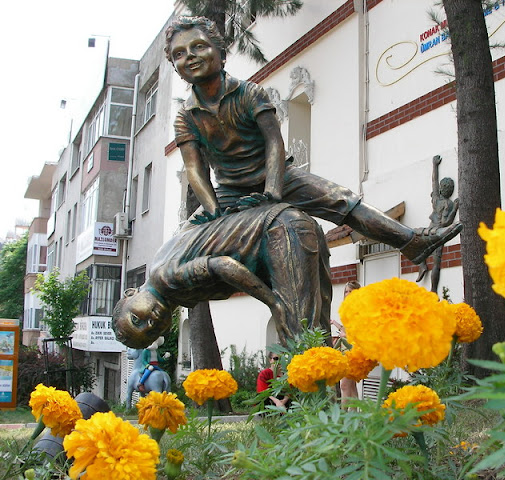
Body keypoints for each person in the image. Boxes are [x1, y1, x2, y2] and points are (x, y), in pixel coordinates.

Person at [164, 16, 462, 268]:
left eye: (198, 46)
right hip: (229, 190)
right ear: (176, 67)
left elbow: (274, 143)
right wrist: (213, 211)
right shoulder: (185, 116)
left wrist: (272, 192)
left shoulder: (250, 93)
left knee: (341, 199)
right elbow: (195, 170)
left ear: (221, 54)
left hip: (277, 176)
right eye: (179, 54)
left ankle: (411, 241)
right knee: (179, 245)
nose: (189, 56)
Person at [113, 203, 332, 349]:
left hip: (280, 233)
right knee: (320, 334)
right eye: (150, 333)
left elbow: (223, 265)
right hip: (292, 225)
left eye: (136, 319)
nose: (150, 324)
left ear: (130, 293)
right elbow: (201, 216)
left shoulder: (165, 279)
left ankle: (313, 406)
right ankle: (328, 405)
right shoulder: (162, 262)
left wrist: (274, 303)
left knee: (299, 337)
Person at [416, 155, 460, 293]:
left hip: (432, 230)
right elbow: (446, 222)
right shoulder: (448, 204)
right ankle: (433, 289)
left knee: (419, 244)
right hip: (439, 233)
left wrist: (434, 165)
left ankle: (423, 265)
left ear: (441, 189)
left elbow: (434, 181)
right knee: (436, 263)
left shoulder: (436, 200)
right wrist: (454, 209)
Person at [330, 281, 361, 409]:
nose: (347, 294)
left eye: (350, 291)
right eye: (346, 291)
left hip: (352, 349)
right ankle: (354, 416)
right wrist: (335, 323)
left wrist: (346, 335)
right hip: (345, 348)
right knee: (351, 386)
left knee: (344, 385)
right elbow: (346, 330)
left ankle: (342, 415)